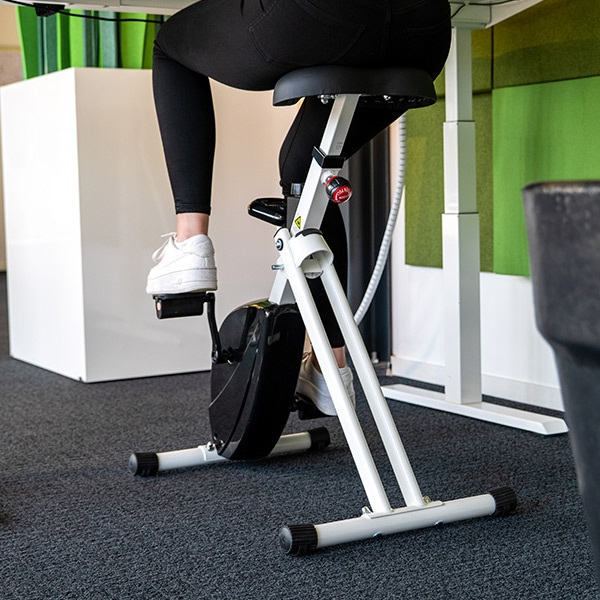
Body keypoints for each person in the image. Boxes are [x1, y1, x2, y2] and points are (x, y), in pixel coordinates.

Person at [146, 0, 452, 415]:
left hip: (327, 17)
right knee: (306, 176)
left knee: (170, 45)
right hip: (424, 32)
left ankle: (190, 241)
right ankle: (330, 369)